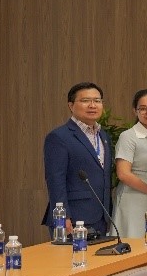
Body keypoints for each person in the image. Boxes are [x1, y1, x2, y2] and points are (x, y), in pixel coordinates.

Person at [43, 82, 113, 237]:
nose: (92, 105)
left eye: (97, 101)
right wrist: (63, 217)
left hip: (101, 216)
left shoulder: (104, 136)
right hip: (74, 218)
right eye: (85, 100)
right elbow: (55, 180)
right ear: (71, 105)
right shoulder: (59, 137)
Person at [113, 88, 147, 240]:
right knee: (134, 243)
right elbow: (123, 174)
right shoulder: (128, 136)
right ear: (135, 111)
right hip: (133, 199)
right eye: (143, 109)